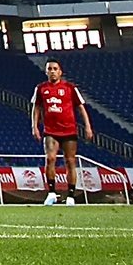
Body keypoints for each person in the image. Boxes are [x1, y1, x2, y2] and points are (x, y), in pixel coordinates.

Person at [32, 59, 94, 205]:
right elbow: (36, 108)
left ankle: (71, 195)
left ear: (60, 71)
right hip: (50, 130)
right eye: (50, 69)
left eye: (55, 68)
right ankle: (52, 193)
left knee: (70, 161)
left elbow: (81, 107)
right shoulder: (41, 88)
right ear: (46, 71)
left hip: (69, 130)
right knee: (50, 159)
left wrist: (88, 126)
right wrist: (34, 126)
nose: (52, 71)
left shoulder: (70, 88)